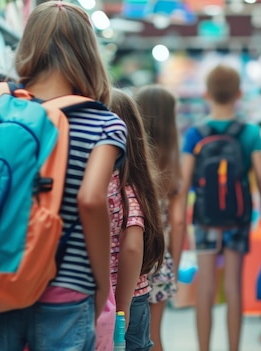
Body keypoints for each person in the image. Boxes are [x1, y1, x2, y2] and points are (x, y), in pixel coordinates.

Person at [0, 3, 126, 351]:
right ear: (88, 53)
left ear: (28, 46)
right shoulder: (103, 123)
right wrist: (99, 283)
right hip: (65, 285)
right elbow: (91, 200)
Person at [180, 65, 261, 351]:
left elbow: (185, 181)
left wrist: (182, 217)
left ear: (206, 94)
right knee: (233, 287)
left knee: (205, 288)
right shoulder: (249, 132)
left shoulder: (196, 133)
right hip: (238, 218)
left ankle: (204, 348)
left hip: (205, 218)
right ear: (239, 94)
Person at [99, 89, 165, 351]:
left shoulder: (116, 186)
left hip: (122, 301)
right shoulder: (132, 183)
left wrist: (121, 308)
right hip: (129, 298)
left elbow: (133, 245)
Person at [135, 85, 186, 351]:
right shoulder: (175, 167)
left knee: (125, 333)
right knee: (154, 336)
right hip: (159, 257)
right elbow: (177, 222)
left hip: (128, 255)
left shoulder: (131, 160)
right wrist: (173, 266)